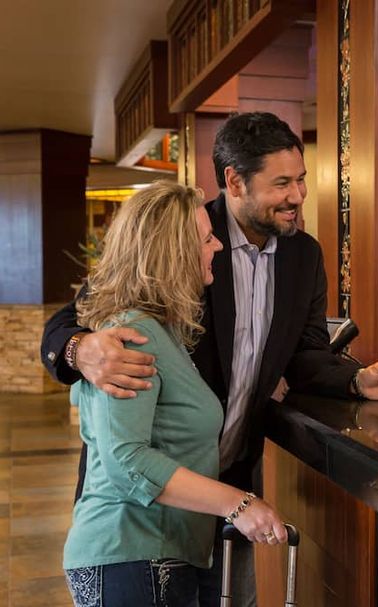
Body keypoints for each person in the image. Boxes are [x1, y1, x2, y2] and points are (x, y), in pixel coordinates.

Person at [42, 112, 378, 606]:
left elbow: (307, 354)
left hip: (225, 484)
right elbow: (85, 315)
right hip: (143, 516)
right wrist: (81, 348)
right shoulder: (182, 231)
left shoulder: (303, 256)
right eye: (281, 183)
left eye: (301, 179)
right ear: (235, 182)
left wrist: (357, 381)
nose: (298, 196)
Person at [63, 181, 288, 607]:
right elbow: (126, 461)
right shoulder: (134, 334)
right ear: (173, 253)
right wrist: (239, 504)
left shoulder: (161, 331)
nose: (218, 246)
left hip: (159, 554)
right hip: (131, 553)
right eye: (206, 239)